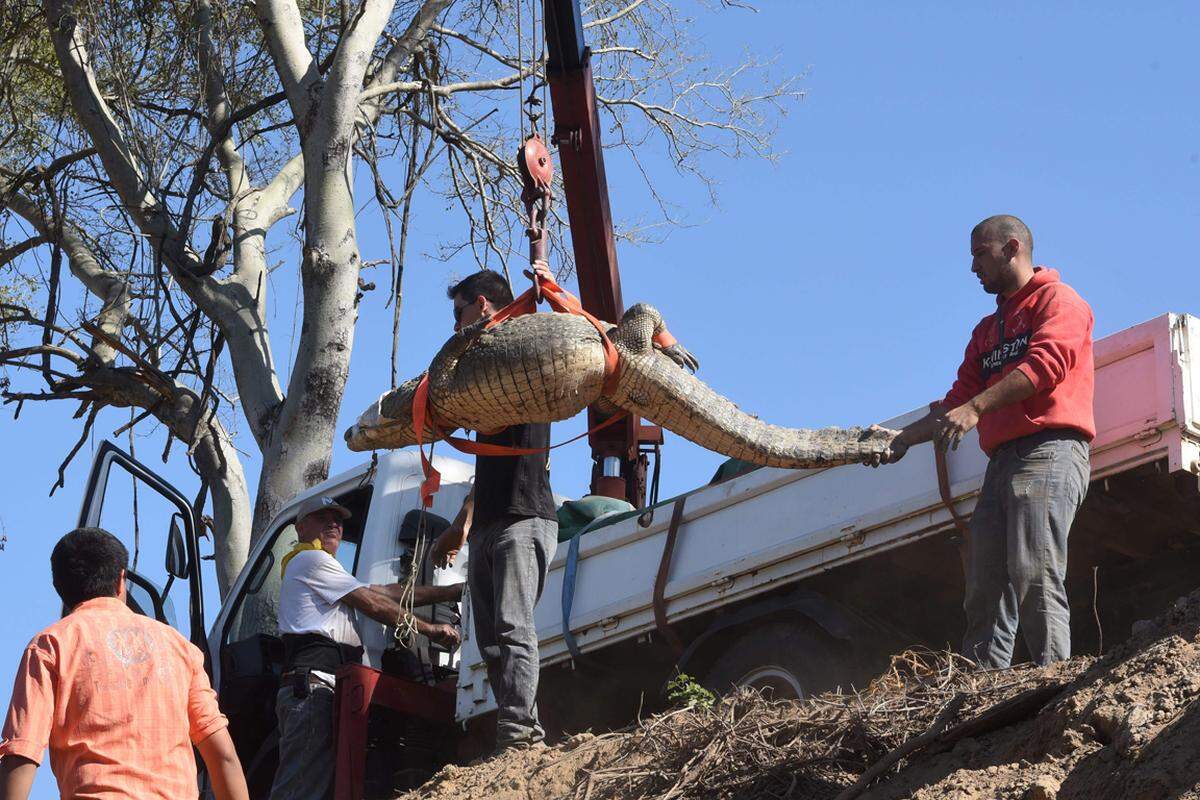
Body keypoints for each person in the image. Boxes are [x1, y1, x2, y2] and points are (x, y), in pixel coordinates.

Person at [877, 215, 1094, 668]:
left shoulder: (1059, 300)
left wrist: (977, 409)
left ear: (1011, 247)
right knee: (985, 588)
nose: (973, 267)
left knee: (1035, 571)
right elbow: (956, 401)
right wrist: (901, 440)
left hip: (1049, 450)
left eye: (979, 253)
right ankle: (982, 699)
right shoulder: (985, 331)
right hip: (1003, 464)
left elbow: (1044, 366)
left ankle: (1051, 684)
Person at [0, 527, 250, 800]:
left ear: (60, 588)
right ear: (121, 580)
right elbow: (223, 756)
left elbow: (21, 752)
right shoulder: (178, 647)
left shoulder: (52, 644)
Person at [430, 266, 561, 754]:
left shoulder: (522, 355)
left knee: (512, 626)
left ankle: (520, 734)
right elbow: (486, 468)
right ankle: (518, 730)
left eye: (458, 311)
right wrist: (463, 525)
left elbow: (543, 327)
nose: (454, 324)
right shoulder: (479, 379)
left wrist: (542, 288)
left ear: (482, 305)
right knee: (487, 640)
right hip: (489, 522)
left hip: (524, 518)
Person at [271, 494, 462, 800]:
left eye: (338, 519)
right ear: (301, 528)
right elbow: (372, 603)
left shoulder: (325, 569)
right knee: (300, 790)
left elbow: (386, 592)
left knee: (313, 785)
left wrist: (452, 590)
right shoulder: (310, 559)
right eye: (323, 517)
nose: (333, 523)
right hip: (315, 686)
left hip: (319, 685)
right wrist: (429, 629)